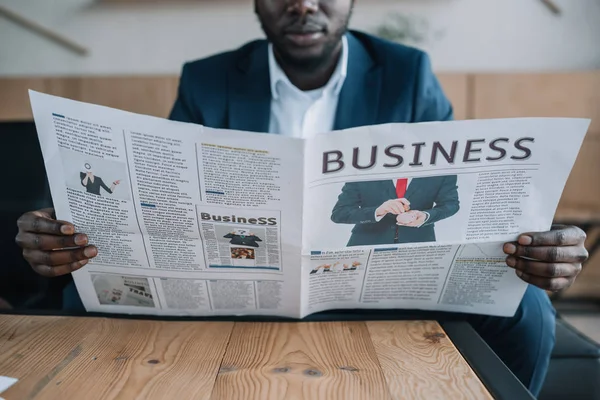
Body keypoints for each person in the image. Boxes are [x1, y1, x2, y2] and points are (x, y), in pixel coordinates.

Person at [13, 0, 588, 396]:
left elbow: (449, 190)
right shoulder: (209, 79)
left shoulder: (406, 73)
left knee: (528, 306)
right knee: (87, 294)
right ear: (257, 4)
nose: (303, 3)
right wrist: (67, 239)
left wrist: (537, 245)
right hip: (241, 282)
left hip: (375, 283)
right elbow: (161, 196)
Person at [331, 176, 459, 246]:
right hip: (367, 244)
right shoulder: (363, 170)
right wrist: (378, 211)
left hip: (418, 245)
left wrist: (426, 216)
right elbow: (339, 213)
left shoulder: (441, 170)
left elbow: (451, 204)